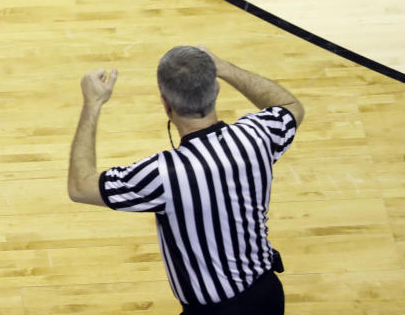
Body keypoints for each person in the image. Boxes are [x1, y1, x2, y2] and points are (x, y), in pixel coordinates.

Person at [68, 46, 304, 314]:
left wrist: (92, 103)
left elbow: (80, 186)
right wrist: (225, 67)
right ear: (215, 90)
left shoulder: (163, 175)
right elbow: (289, 106)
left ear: (166, 103)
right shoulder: (257, 136)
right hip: (268, 295)